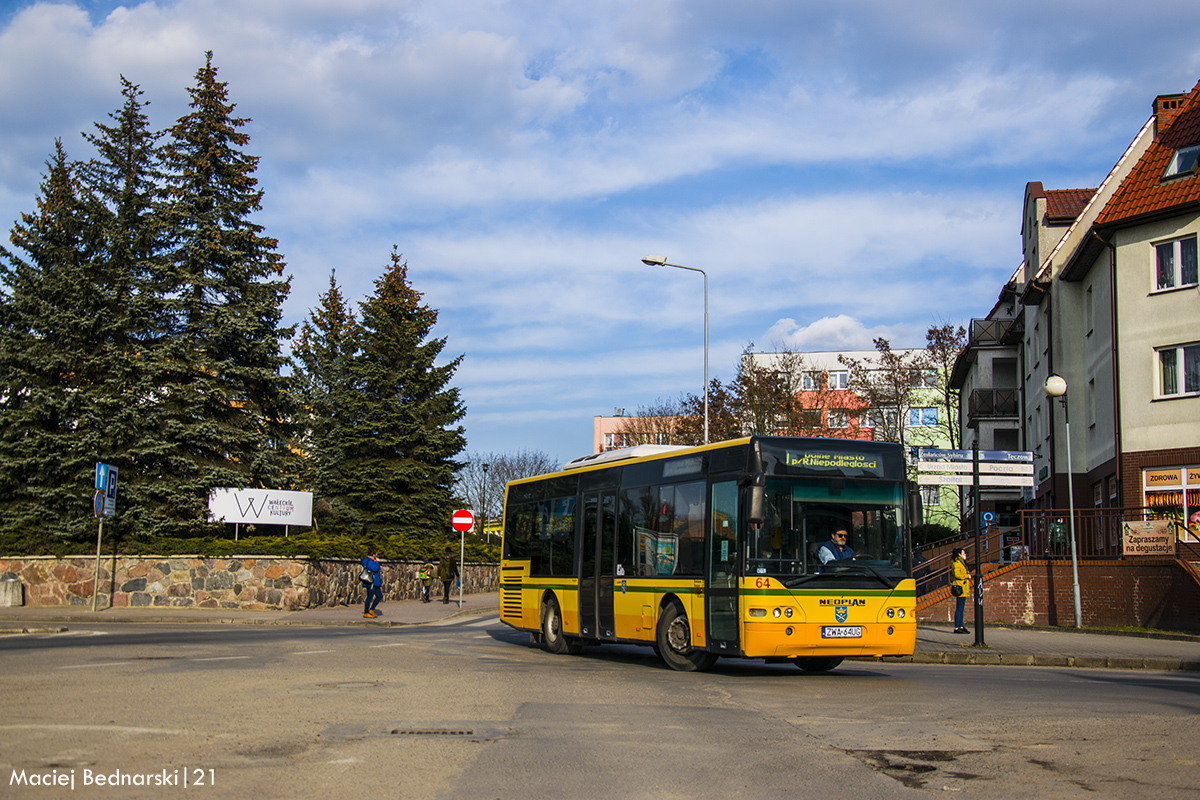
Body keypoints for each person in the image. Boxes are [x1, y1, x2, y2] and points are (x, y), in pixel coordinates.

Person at [951, 547, 971, 634]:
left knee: (961, 608)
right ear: (959, 554)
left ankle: (961, 626)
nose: (965, 554)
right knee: (959, 608)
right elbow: (957, 575)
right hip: (960, 588)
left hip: (963, 587)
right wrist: (966, 576)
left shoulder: (962, 563)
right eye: (963, 553)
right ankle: (957, 627)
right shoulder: (957, 563)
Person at [362, 546, 382, 619]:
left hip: (375, 582)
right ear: (373, 555)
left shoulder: (371, 561)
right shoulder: (369, 561)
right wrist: (377, 562)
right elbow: (375, 569)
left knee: (379, 596)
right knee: (369, 597)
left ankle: (372, 609)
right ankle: (366, 612)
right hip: (371, 582)